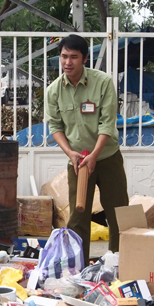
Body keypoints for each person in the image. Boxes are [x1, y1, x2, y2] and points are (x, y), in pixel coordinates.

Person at [46, 35, 129, 265]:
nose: (68, 62)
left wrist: (94, 155)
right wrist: (71, 153)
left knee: (118, 214)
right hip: (77, 162)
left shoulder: (102, 82)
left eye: (74, 56)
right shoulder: (53, 91)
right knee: (78, 216)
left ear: (84, 58)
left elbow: (107, 123)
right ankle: (79, 268)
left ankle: (118, 263)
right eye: (64, 56)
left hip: (107, 156)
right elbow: (55, 127)